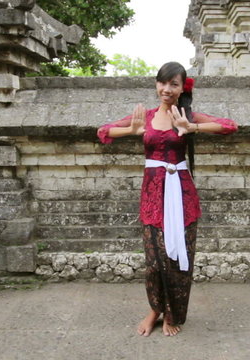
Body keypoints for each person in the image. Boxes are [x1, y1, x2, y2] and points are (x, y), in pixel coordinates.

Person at [97, 62, 238, 337]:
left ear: (182, 87)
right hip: (152, 195)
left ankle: (173, 314)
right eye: (163, 82)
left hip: (182, 195)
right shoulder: (145, 117)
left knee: (179, 259)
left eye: (174, 84)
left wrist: (192, 127)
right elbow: (103, 132)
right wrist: (131, 131)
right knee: (154, 259)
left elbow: (230, 126)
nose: (167, 89)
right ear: (156, 84)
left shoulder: (187, 115)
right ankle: (154, 311)